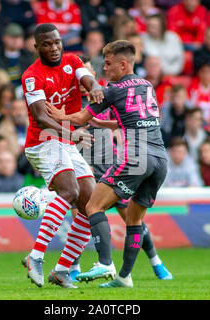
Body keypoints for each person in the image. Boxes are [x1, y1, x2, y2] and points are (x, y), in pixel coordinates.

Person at [47, 40, 169, 288]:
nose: (105, 68)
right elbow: (135, 119)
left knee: (92, 206)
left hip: (135, 158)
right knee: (134, 219)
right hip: (159, 159)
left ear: (123, 64)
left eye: (109, 63)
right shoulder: (147, 86)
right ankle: (124, 277)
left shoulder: (112, 90)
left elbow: (81, 117)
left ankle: (105, 262)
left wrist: (59, 115)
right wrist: (102, 124)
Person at [20, 23, 104, 289]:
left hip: (66, 141)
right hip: (43, 142)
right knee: (69, 190)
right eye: (47, 44)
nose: (54, 48)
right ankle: (35, 257)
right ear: (37, 47)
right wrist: (71, 135)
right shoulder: (32, 76)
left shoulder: (71, 60)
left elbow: (85, 78)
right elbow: (41, 117)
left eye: (57, 42)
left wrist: (94, 87)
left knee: (92, 204)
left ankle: (62, 269)